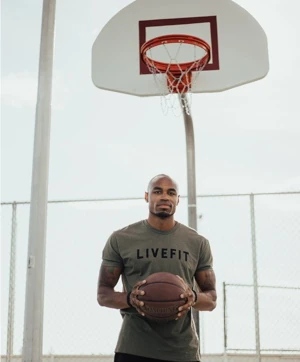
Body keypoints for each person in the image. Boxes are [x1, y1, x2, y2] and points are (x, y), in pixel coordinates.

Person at [97, 174, 217, 362]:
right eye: (157, 191)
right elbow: (103, 294)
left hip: (182, 351)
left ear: (178, 199)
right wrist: (130, 298)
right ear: (147, 196)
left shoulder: (197, 243)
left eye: (171, 192)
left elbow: (211, 299)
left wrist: (193, 297)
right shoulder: (121, 239)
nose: (164, 197)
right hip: (134, 348)